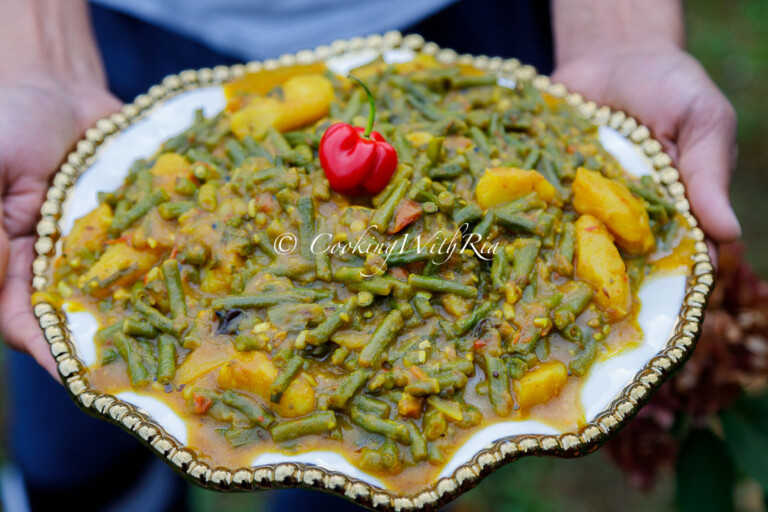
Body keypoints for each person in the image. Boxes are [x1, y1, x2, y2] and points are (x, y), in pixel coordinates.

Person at [0, 0, 740, 510]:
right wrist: (35, 64)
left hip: (456, 26)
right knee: (76, 454)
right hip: (120, 42)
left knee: (376, 496)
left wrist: (621, 35)